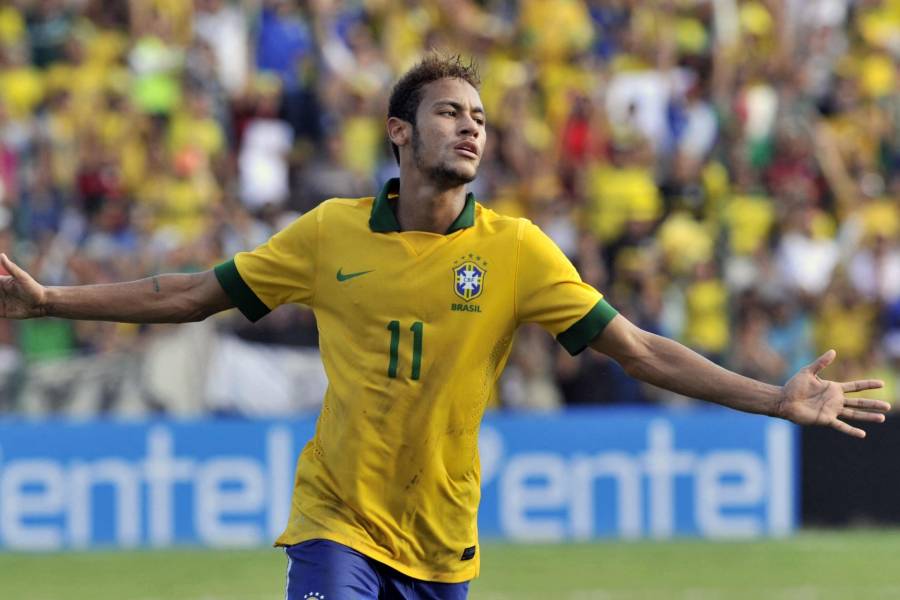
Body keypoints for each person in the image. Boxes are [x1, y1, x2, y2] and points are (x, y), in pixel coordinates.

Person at [0, 55, 888, 599]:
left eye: (481, 119)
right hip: (336, 521)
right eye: (450, 113)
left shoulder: (519, 251)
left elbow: (640, 349)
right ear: (399, 130)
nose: (471, 129)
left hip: (442, 538)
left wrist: (772, 397)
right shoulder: (328, 233)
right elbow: (192, 293)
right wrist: (48, 302)